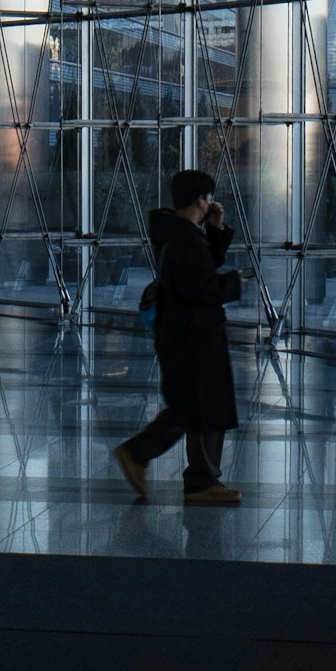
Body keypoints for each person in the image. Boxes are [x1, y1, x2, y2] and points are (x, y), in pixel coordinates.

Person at [111, 166, 243, 504]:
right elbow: (198, 286)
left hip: (187, 336)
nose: (211, 203)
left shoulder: (180, 234)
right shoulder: (184, 238)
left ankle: (199, 478)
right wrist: (233, 284)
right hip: (193, 338)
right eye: (209, 197)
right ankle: (146, 456)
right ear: (201, 199)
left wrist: (214, 231)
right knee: (196, 408)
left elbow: (202, 267)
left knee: (199, 409)